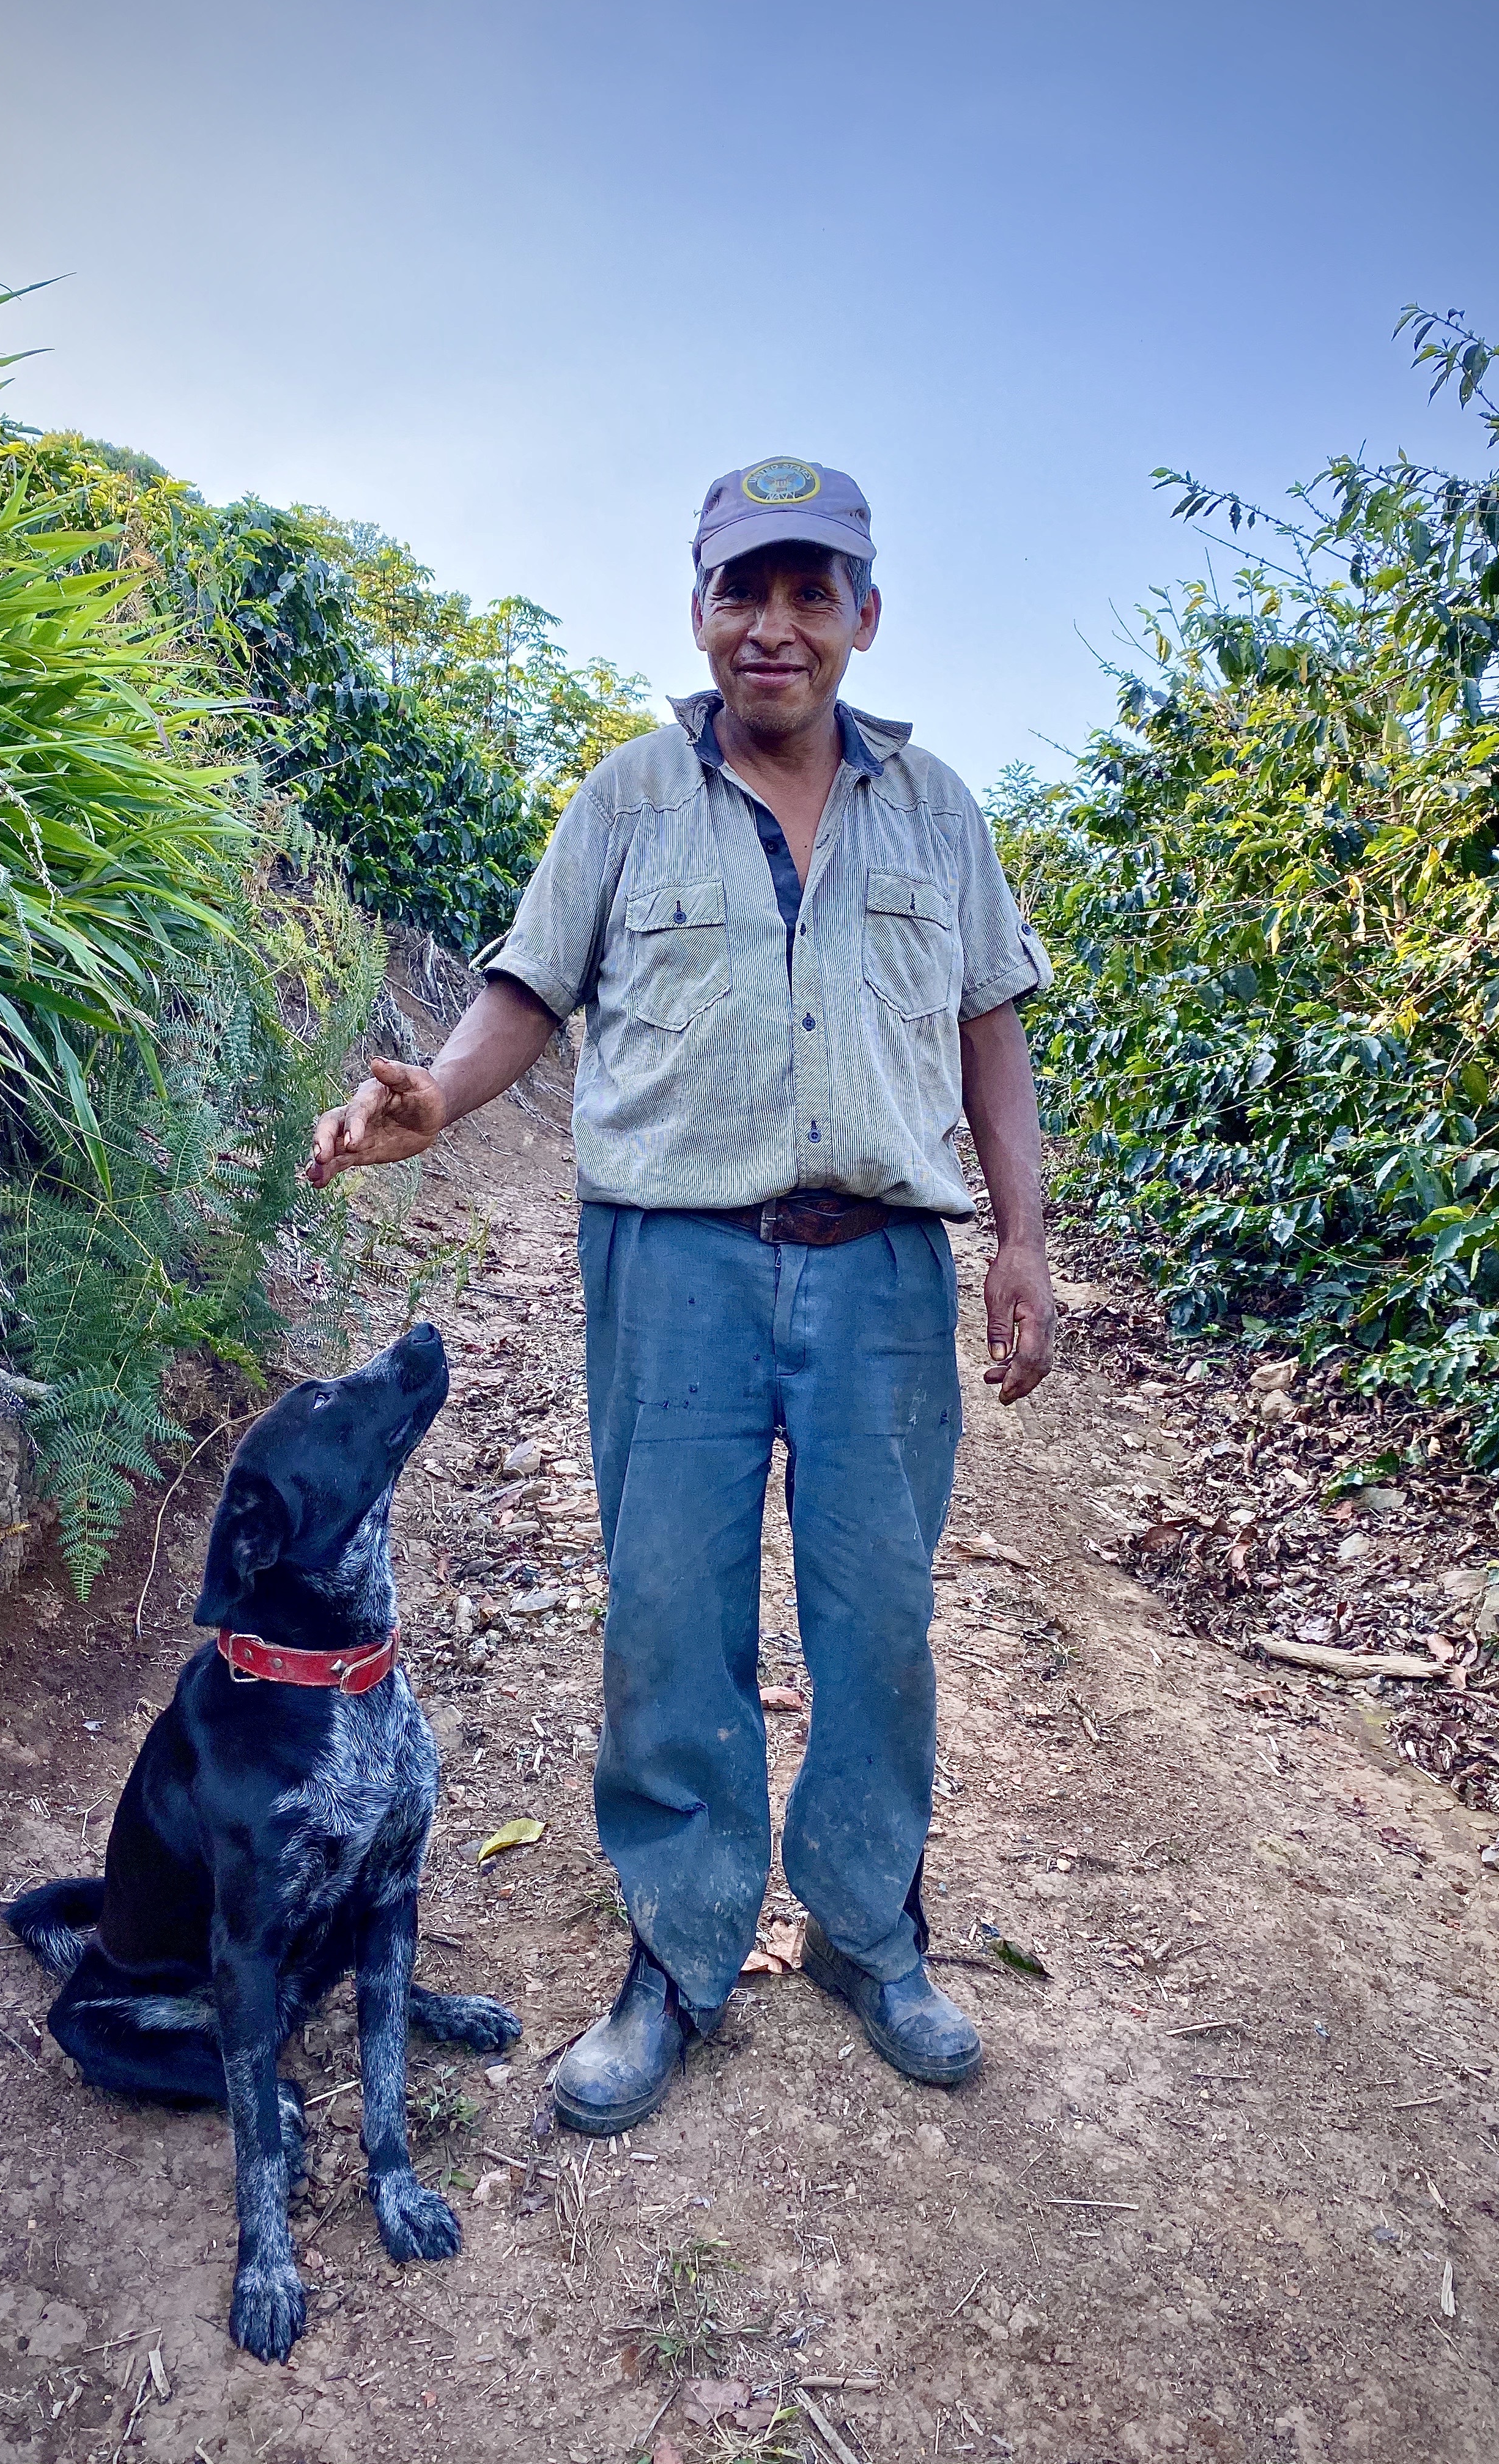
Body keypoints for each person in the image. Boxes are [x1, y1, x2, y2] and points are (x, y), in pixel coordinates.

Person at [306, 456, 1057, 2134]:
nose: (773, 627)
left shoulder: (936, 813)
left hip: (881, 1273)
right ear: (700, 608)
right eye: (744, 591)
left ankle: (870, 1934)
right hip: (676, 1262)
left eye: (810, 593)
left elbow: (991, 1030)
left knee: (878, 1622)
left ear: (865, 614)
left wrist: (1020, 1240)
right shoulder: (628, 801)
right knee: (667, 1617)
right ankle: (682, 1953)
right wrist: (432, 1098)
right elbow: (526, 992)